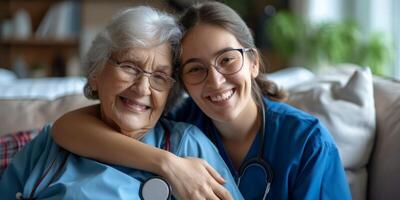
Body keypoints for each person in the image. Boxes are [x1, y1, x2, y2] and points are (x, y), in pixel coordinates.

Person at [52, 1, 352, 199]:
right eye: (196, 69)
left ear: (254, 63)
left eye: (227, 60)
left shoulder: (308, 144)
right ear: (181, 81)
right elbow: (66, 128)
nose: (216, 80)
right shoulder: (182, 125)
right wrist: (168, 164)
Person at [0, 6, 244, 200]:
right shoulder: (49, 145)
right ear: (96, 74)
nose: (142, 88)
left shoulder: (186, 146)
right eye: (129, 66)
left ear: (170, 93)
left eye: (159, 76)